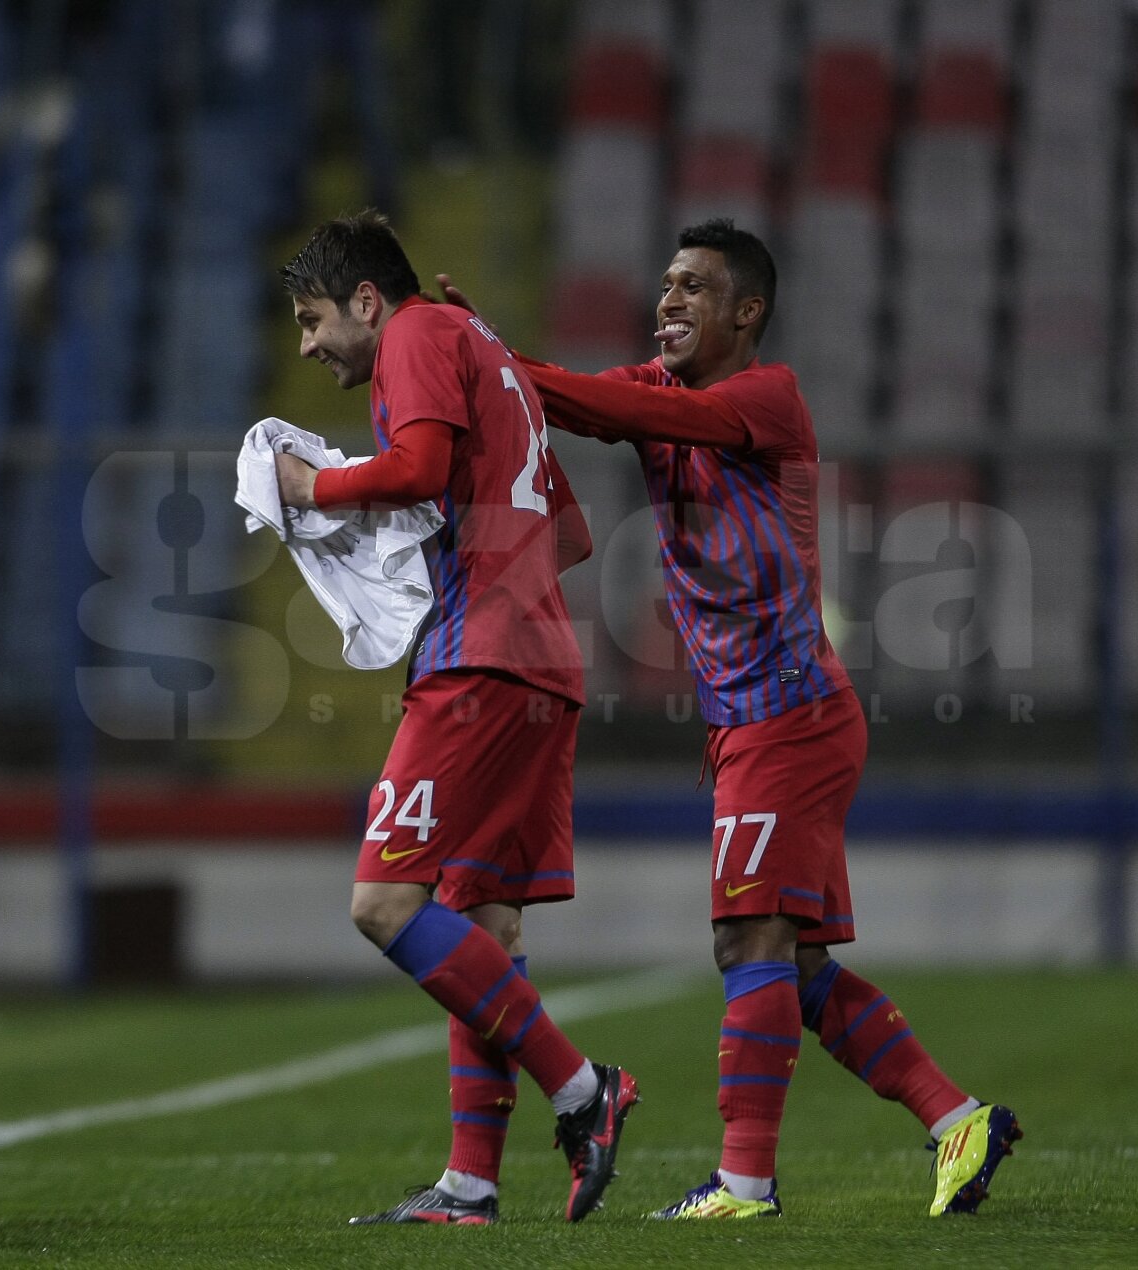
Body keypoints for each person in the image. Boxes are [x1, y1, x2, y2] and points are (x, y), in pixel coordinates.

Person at [437, 217, 1021, 1220]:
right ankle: (957, 1117)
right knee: (793, 965)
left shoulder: (768, 398)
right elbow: (570, 402)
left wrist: (479, 350)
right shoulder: (658, 394)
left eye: (694, 287)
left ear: (746, 312)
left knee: (745, 941)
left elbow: (593, 399)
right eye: (665, 285)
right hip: (760, 720)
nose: (669, 301)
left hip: (787, 714)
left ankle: (745, 1180)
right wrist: (484, 355)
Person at [273, 209, 639, 1226]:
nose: (306, 345)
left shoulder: (419, 335)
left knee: (384, 903)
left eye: (312, 319)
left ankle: (584, 1089)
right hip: (539, 657)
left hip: (481, 657)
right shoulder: (482, 346)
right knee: (484, 920)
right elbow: (564, 525)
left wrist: (318, 486)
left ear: (364, 300)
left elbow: (423, 470)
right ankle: (471, 1185)